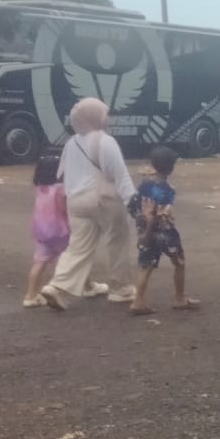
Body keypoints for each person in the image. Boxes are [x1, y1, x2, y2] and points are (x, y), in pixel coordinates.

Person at [39, 98, 139, 311]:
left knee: (78, 247)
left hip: (75, 201)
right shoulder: (106, 141)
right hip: (103, 199)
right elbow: (120, 175)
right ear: (95, 117)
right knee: (117, 241)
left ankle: (57, 286)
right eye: (104, 114)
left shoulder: (71, 143)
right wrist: (134, 203)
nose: (107, 118)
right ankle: (120, 289)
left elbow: (64, 173)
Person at [127, 145, 199, 314]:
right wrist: (148, 232)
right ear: (171, 168)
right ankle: (180, 298)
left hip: (144, 231)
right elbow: (159, 215)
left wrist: (142, 231)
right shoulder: (168, 190)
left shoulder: (144, 185)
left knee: (146, 267)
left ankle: (138, 301)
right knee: (179, 262)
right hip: (164, 233)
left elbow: (132, 206)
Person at [24, 155, 69, 309]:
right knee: (72, 257)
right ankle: (82, 286)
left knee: (40, 262)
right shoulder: (60, 189)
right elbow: (63, 209)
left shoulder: (41, 188)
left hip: (42, 231)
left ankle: (30, 295)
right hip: (60, 230)